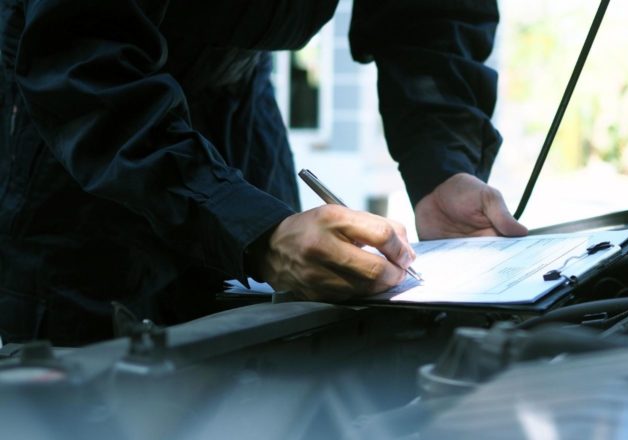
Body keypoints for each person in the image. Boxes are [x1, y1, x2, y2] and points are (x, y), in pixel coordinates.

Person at [0, 0, 527, 346]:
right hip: (83, 114)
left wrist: (441, 166)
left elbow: (430, 14)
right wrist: (253, 229)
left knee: (270, 345)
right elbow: (78, 54)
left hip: (238, 100)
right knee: (91, 374)